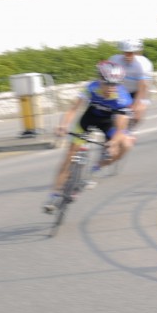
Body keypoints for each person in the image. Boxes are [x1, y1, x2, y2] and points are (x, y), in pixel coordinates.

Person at [43, 61, 133, 213]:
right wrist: (63, 125)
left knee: (125, 145)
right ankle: (54, 195)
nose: (111, 88)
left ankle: (96, 168)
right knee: (69, 156)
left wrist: (113, 143)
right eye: (107, 83)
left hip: (109, 123)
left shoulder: (122, 98)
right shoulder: (91, 88)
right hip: (88, 119)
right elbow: (73, 109)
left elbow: (120, 128)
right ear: (100, 79)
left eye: (115, 84)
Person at [109, 39, 153, 128]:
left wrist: (136, 105)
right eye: (125, 53)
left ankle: (129, 130)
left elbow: (142, 87)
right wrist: (110, 97)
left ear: (136, 53)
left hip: (140, 90)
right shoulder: (114, 59)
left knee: (137, 115)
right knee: (113, 113)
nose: (127, 55)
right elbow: (109, 79)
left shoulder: (144, 64)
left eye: (131, 53)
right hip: (122, 90)